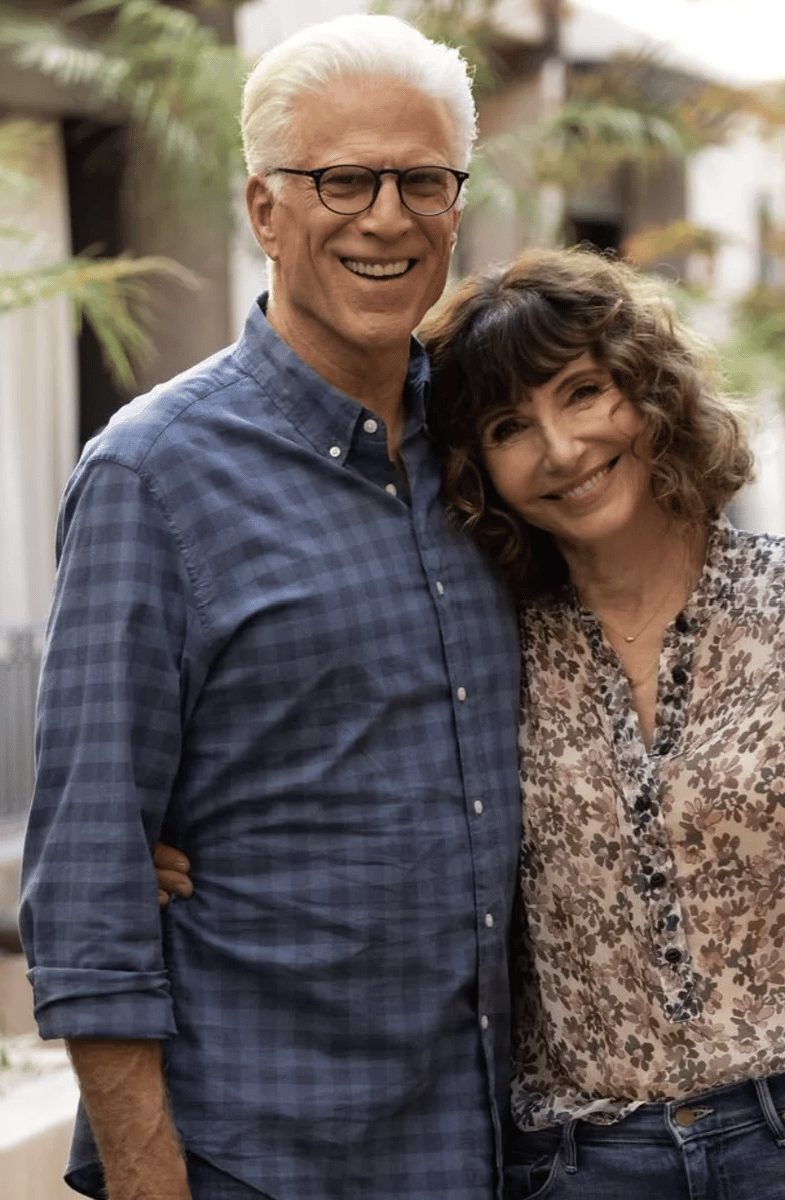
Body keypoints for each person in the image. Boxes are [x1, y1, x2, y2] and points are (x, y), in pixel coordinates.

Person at [18, 15, 522, 1200]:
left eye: (423, 180)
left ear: (458, 202)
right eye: (343, 178)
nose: (387, 216)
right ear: (264, 210)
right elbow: (90, 879)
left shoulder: (497, 445)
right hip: (263, 1156)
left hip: (499, 1149)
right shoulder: (155, 475)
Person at [417, 246, 785, 1199]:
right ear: (479, 468)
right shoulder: (481, 658)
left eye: (585, 391)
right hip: (589, 1160)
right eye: (512, 425)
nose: (559, 447)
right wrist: (178, 850)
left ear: (652, 391)